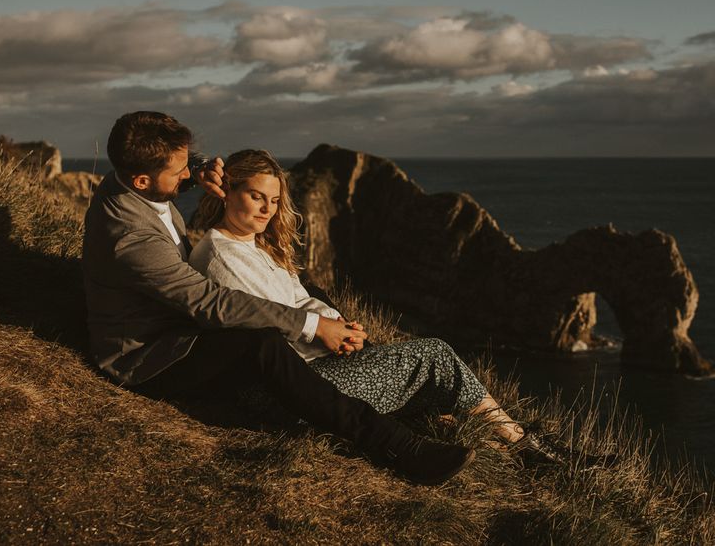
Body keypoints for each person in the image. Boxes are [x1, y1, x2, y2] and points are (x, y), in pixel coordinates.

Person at [82, 111, 477, 487]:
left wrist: (198, 169)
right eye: (181, 171)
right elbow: (212, 303)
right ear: (141, 182)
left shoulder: (131, 176)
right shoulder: (133, 239)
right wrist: (314, 325)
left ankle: (398, 399)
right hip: (150, 355)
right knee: (262, 344)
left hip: (174, 321)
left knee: (309, 297)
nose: (190, 174)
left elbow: (170, 175)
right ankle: (396, 445)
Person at [189, 149, 570, 460]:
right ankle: (524, 445)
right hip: (286, 395)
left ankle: (509, 441)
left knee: (425, 376)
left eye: (273, 200)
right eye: (256, 196)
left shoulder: (253, 244)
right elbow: (268, 333)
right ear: (226, 191)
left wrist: (337, 324)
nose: (267, 209)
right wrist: (328, 336)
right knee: (434, 355)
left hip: (309, 373)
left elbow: (298, 300)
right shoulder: (223, 258)